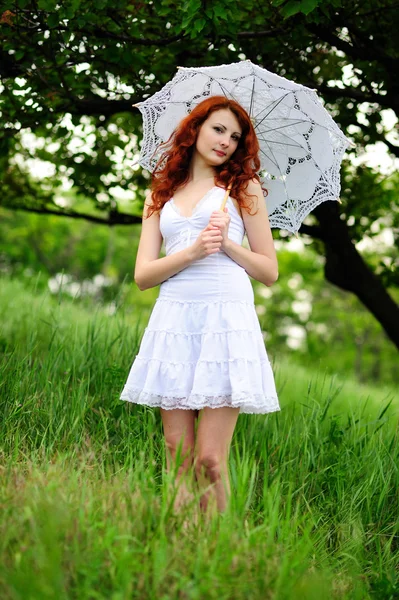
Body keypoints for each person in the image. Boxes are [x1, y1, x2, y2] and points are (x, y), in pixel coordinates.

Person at [120, 95, 280, 520]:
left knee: (210, 460)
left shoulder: (242, 189)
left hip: (225, 318)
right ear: (195, 130)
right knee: (178, 453)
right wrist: (191, 252)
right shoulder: (161, 193)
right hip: (175, 316)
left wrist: (227, 243)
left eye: (235, 136)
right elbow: (143, 276)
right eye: (218, 129)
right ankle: (180, 548)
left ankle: (220, 553)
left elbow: (268, 271)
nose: (226, 141)